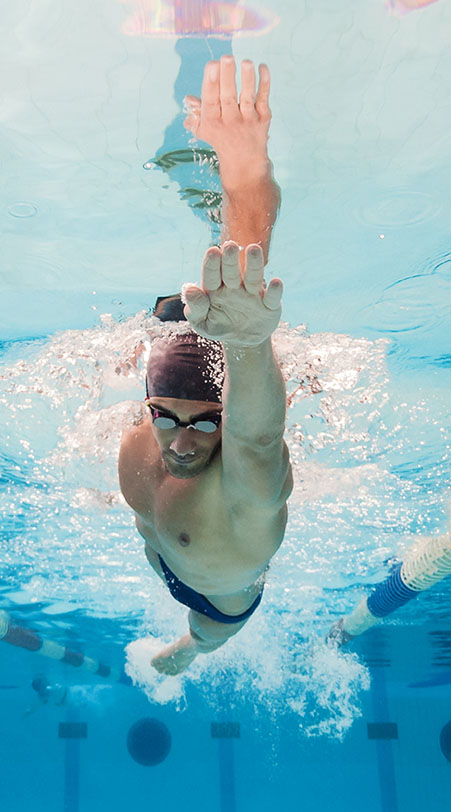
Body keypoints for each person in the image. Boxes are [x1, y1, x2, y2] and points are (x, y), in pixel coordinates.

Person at [119, 56, 291, 675]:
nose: (182, 440)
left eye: (206, 423)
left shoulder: (247, 495)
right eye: (165, 415)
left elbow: (259, 434)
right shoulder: (149, 427)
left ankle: (191, 654)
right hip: (167, 552)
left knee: (204, 637)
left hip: (219, 600)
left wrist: (246, 170)